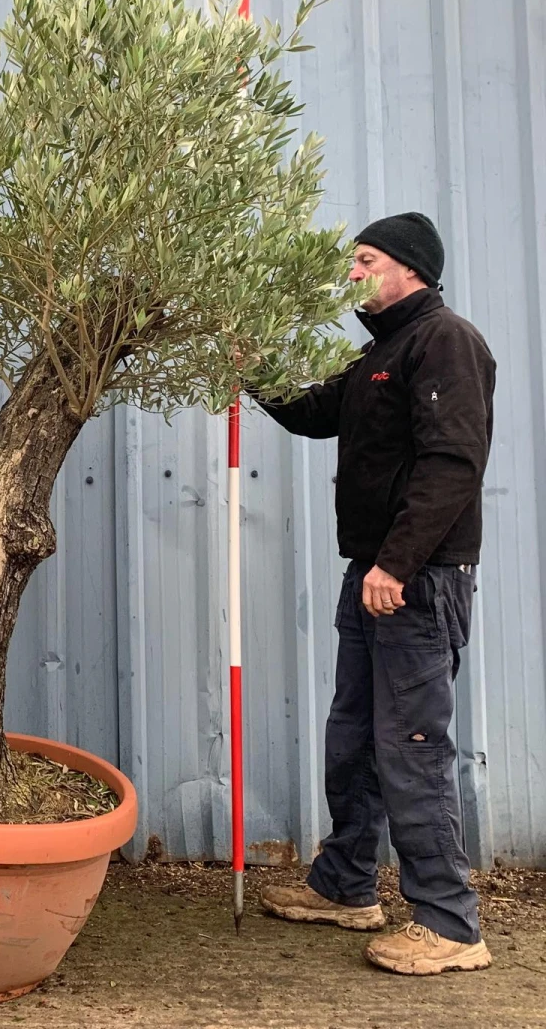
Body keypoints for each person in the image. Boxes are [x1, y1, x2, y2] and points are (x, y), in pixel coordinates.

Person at [250, 211, 496, 975]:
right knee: (354, 736)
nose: (353, 272)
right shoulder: (379, 355)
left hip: (415, 581)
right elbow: (312, 414)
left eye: (366, 259)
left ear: (411, 268)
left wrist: (395, 564)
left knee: (412, 745)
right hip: (376, 575)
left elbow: (454, 464)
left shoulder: (444, 341)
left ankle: (452, 926)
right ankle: (346, 885)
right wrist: (248, 364)